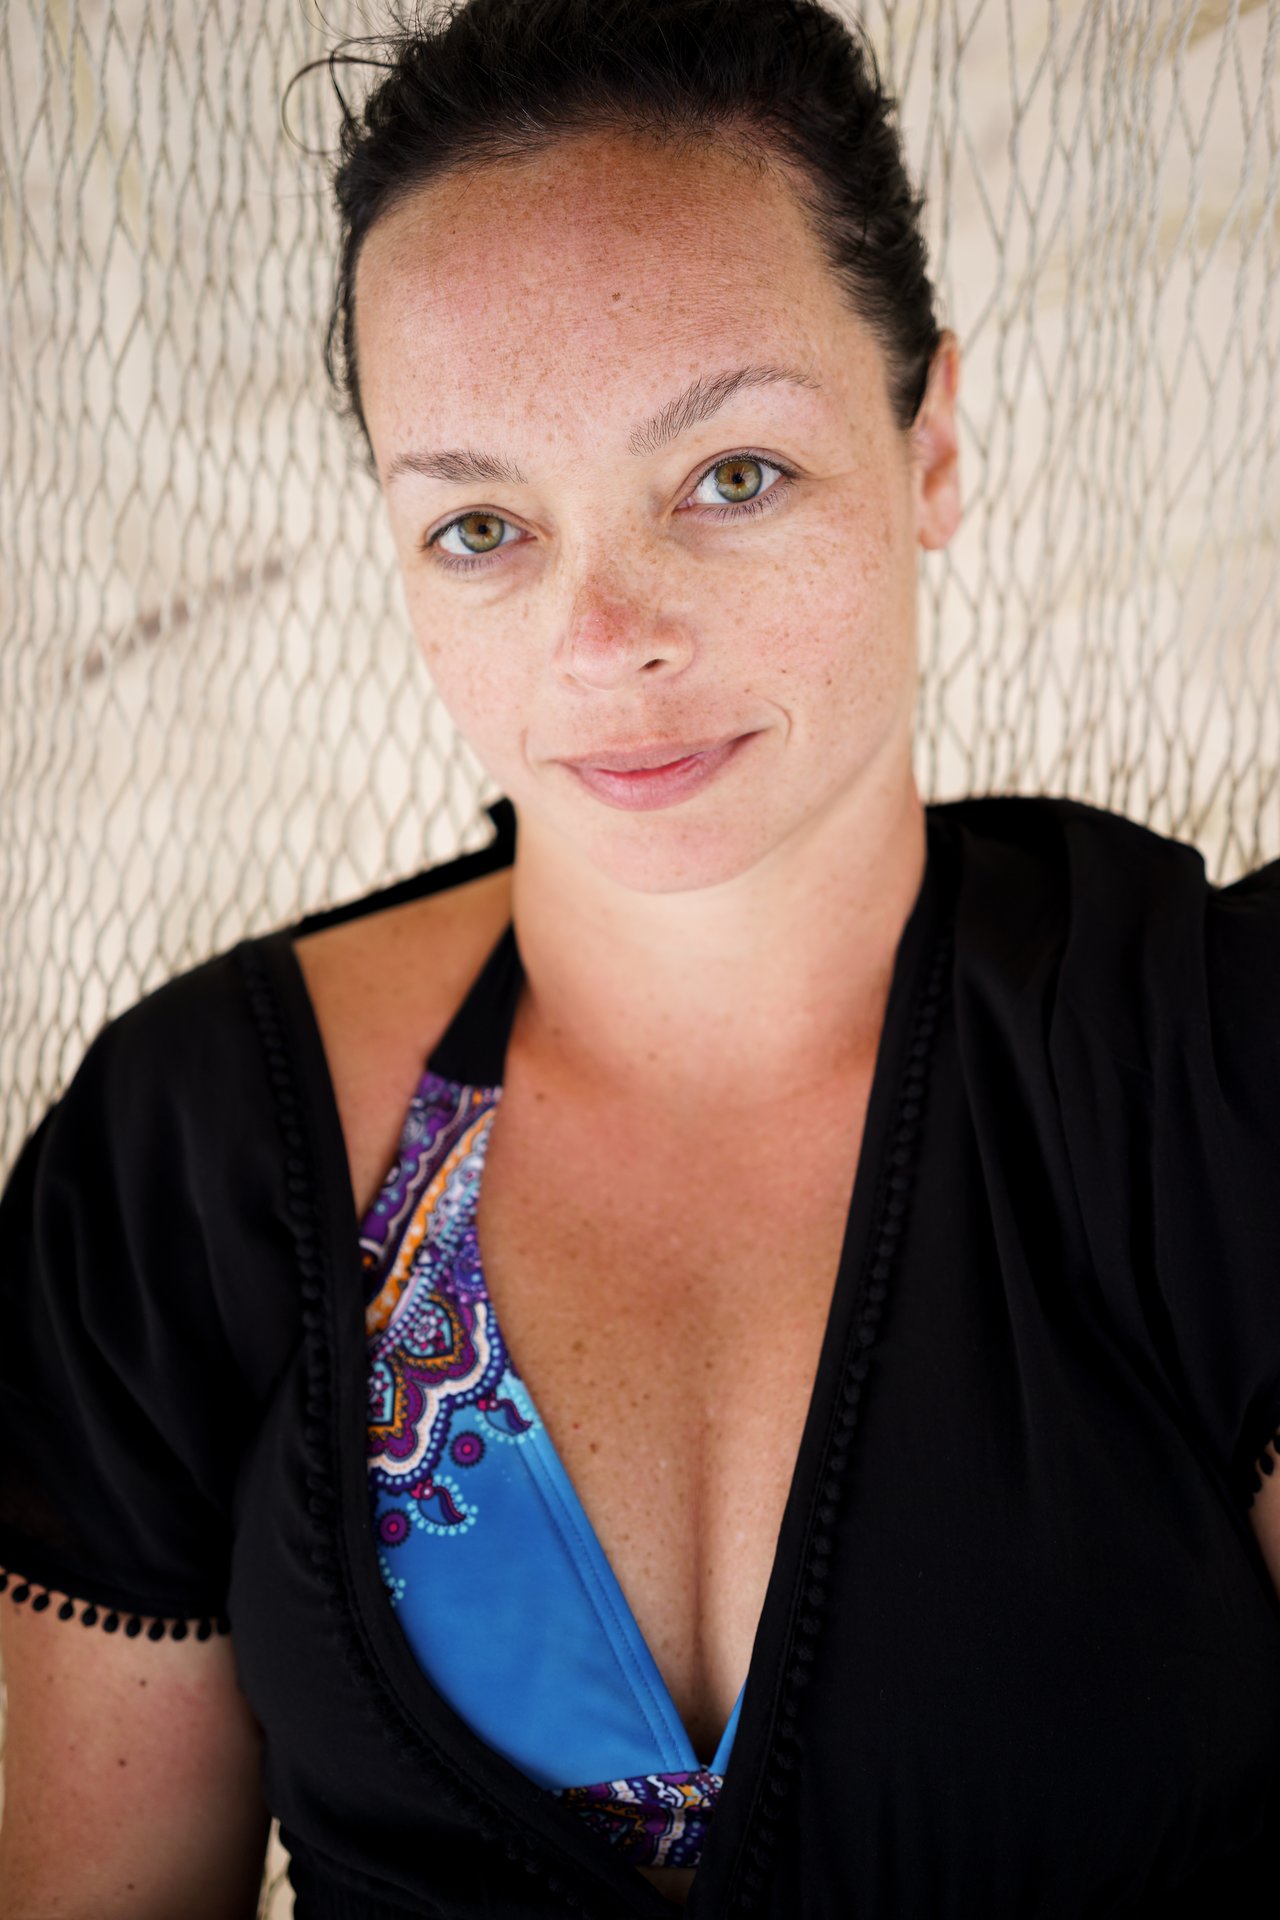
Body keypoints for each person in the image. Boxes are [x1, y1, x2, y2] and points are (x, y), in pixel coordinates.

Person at [1, 0, 1278, 1914]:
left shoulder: (1216, 1061)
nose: (605, 639)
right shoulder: (181, 1160)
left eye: (731, 476)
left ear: (929, 439)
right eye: (483, 525)